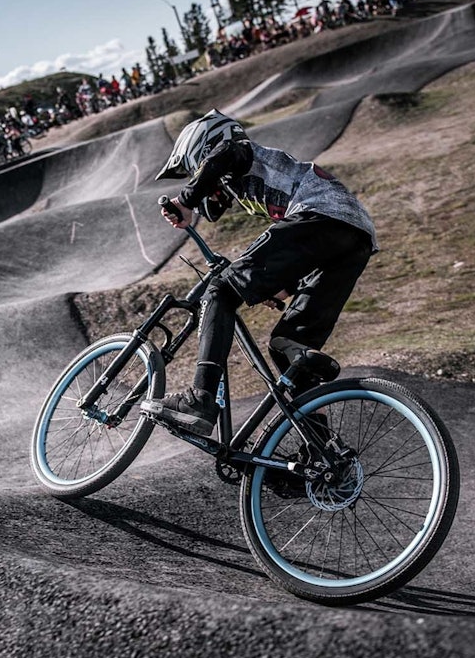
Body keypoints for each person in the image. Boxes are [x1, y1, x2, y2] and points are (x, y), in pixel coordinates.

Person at [140, 110, 379, 436]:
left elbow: (227, 153)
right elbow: (311, 247)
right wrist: (283, 286)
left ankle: (201, 398)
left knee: (220, 291)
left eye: (196, 169)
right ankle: (320, 445)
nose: (201, 179)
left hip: (321, 214)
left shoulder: (241, 154)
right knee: (289, 346)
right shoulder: (257, 183)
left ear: (204, 151)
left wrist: (186, 199)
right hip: (356, 239)